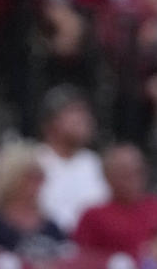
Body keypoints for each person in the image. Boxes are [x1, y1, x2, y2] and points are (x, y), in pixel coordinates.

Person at [71, 144, 157, 261]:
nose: (133, 178)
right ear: (107, 176)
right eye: (124, 173)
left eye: (138, 171)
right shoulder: (93, 216)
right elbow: (83, 260)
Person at [34, 86, 109, 235]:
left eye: (85, 112)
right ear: (51, 121)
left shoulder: (94, 163)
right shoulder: (34, 161)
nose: (84, 119)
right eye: (74, 112)